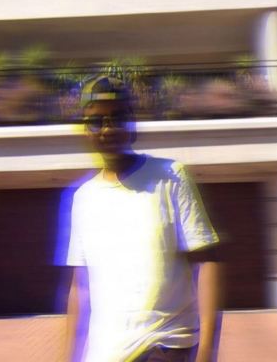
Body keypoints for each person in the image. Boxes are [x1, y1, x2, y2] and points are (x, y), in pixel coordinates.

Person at [56, 76, 221, 362]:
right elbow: (80, 287)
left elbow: (206, 262)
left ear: (131, 123)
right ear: (85, 130)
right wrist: (67, 357)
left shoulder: (170, 176)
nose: (107, 128)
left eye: (117, 118)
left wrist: (206, 351)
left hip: (163, 346)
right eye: (96, 121)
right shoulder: (83, 198)